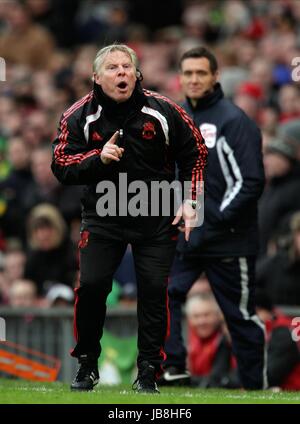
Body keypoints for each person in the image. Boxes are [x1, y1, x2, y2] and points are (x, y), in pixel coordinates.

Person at [51, 44, 207, 393]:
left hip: (155, 214)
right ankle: (87, 364)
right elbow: (60, 165)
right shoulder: (78, 115)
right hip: (104, 213)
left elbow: (196, 151)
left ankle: (149, 369)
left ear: (136, 74)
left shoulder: (164, 110)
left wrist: (191, 200)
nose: (121, 73)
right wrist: (97, 158)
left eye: (126, 67)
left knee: (153, 291)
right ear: (96, 77)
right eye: (112, 67)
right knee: (91, 286)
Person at [161, 46, 267, 390]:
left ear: (215, 76)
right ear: (180, 77)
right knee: (163, 295)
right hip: (188, 235)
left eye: (201, 73)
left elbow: (250, 181)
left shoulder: (234, 121)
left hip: (228, 238)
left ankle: (255, 387)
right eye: (188, 73)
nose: (193, 79)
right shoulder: (176, 120)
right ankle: (174, 367)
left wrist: (214, 219)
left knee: (240, 317)